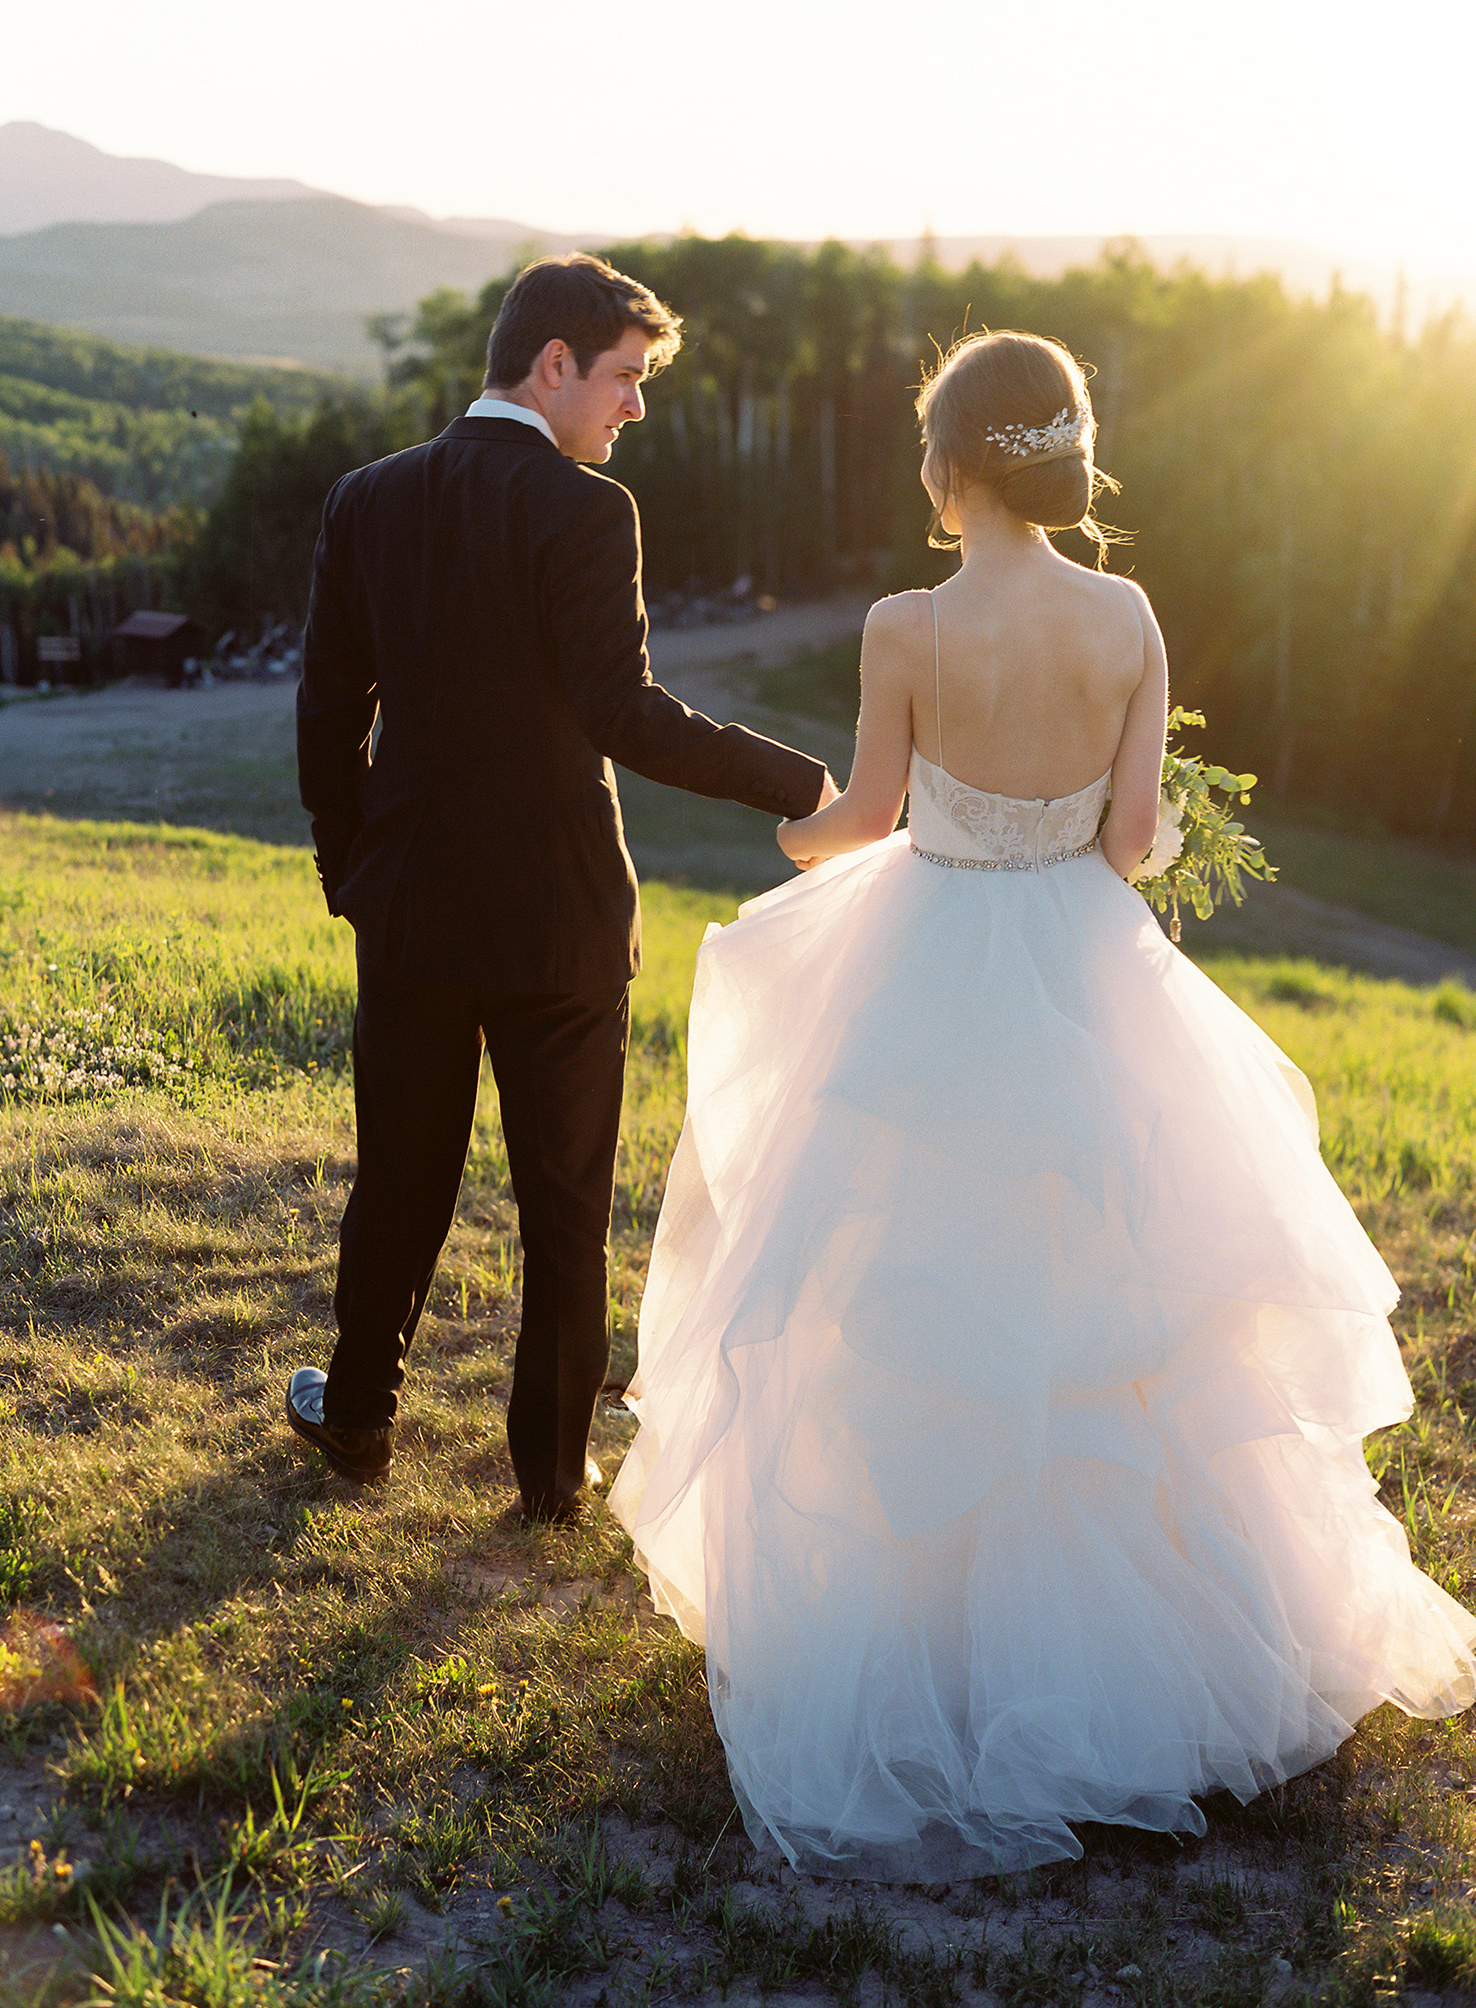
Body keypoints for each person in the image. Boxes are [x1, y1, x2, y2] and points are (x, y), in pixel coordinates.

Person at [609, 329, 1476, 1880]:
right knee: (1112, 1298)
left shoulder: (903, 624)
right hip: (1087, 963)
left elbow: (864, 819)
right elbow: (1136, 842)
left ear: (948, 471)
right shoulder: (1129, 613)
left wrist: (806, 840)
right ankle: (1146, 1675)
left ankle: (933, 1655)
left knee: (916, 1291)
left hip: (932, 954)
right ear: (1059, 463)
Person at [285, 254, 835, 1520]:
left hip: (412, 907)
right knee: (564, 1204)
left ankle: (358, 1417)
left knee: (401, 1178)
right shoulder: (588, 513)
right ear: (552, 366)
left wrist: (350, 871)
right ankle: (551, 1474)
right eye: (627, 378)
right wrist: (811, 787)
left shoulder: (365, 499)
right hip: (564, 922)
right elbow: (626, 716)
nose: (635, 409)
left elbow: (328, 712)